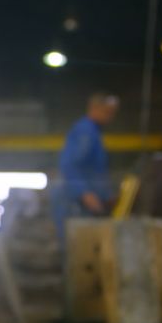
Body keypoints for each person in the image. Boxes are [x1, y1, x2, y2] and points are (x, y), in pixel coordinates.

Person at [54, 93, 119, 243]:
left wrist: (107, 195)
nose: (111, 117)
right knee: (79, 249)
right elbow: (70, 165)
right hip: (75, 204)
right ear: (94, 108)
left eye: (113, 113)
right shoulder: (86, 131)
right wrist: (85, 193)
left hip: (86, 204)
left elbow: (96, 171)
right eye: (107, 112)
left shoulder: (94, 132)